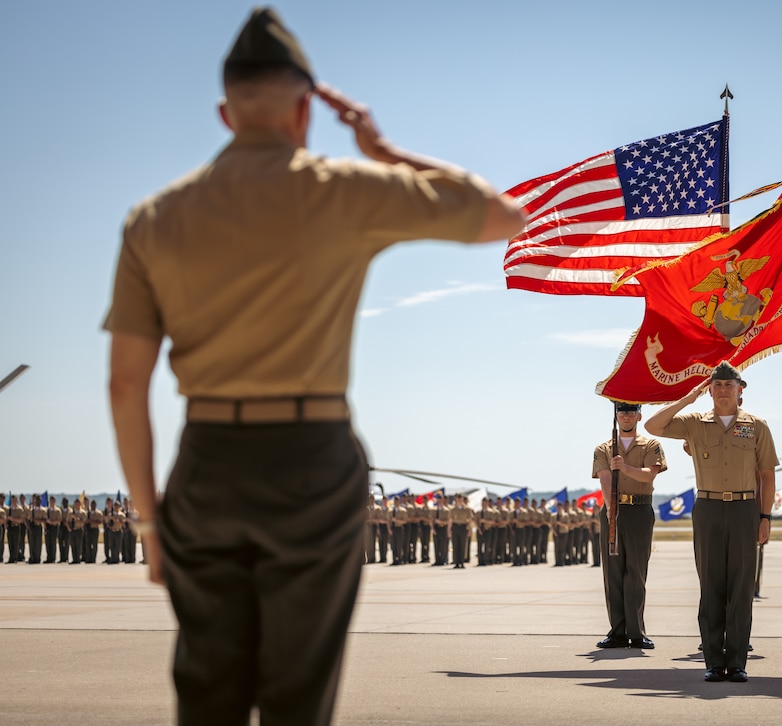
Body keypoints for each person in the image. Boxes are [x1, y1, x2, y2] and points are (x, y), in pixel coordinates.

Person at [103, 8, 525, 724]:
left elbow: (125, 385)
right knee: (301, 693)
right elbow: (498, 216)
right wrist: (382, 147)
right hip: (311, 455)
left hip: (207, 460)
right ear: (305, 110)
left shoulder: (155, 218)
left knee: (207, 690)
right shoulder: (348, 188)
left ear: (223, 113)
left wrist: (150, 527)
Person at [645, 362, 777, 683]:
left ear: (739, 390)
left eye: (728, 385)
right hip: (707, 508)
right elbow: (653, 425)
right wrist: (687, 399)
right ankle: (714, 663)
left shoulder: (756, 426)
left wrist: (765, 516)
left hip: (745, 509)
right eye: (716, 386)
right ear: (709, 390)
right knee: (712, 586)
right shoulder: (694, 423)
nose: (722, 391)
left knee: (742, 588)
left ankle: (738, 662)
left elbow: (767, 475)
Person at [592, 402, 666, 650]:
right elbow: (604, 478)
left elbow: (648, 474)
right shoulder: (604, 448)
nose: (626, 416)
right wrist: (610, 507)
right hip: (613, 510)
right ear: (616, 416)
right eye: (621, 412)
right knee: (613, 572)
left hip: (639, 510)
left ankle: (636, 631)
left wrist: (624, 467)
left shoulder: (651, 445)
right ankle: (618, 631)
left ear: (638, 415)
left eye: (630, 412)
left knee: (636, 571)